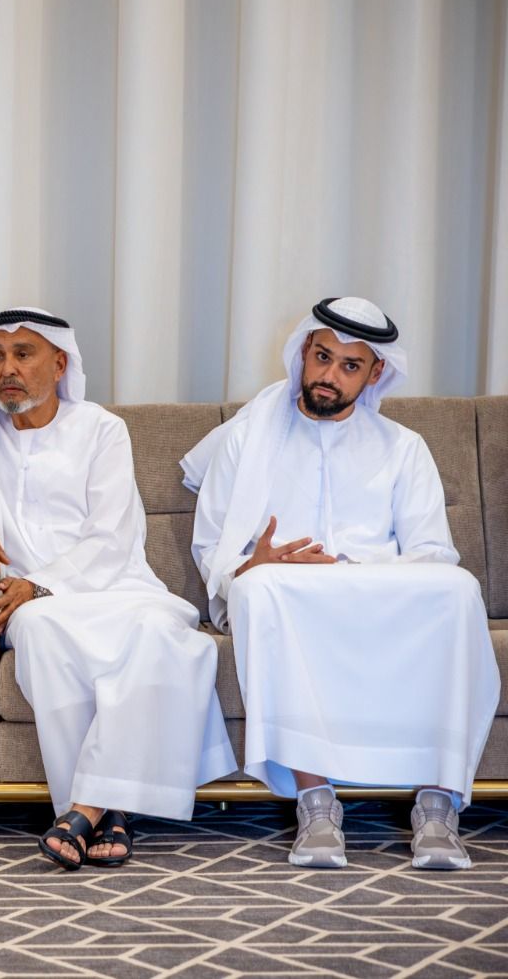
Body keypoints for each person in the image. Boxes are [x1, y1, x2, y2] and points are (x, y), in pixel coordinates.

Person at [186, 297, 498, 870]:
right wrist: (253, 563)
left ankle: (437, 804)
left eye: (349, 365)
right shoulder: (246, 440)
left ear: (375, 374)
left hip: (378, 588)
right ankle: (317, 801)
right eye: (322, 357)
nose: (329, 375)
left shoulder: (403, 447)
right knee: (258, 590)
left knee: (459, 590)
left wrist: (354, 569)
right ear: (304, 351)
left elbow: (433, 553)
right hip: (287, 589)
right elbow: (211, 548)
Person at [0, 308, 234, 871]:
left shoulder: (100, 429)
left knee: (156, 633)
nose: (6, 369)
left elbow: (111, 536)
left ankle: (83, 810)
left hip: (115, 587)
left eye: (23, 354)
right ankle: (111, 813)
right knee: (41, 630)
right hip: (29, 603)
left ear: (59, 364)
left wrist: (42, 583)